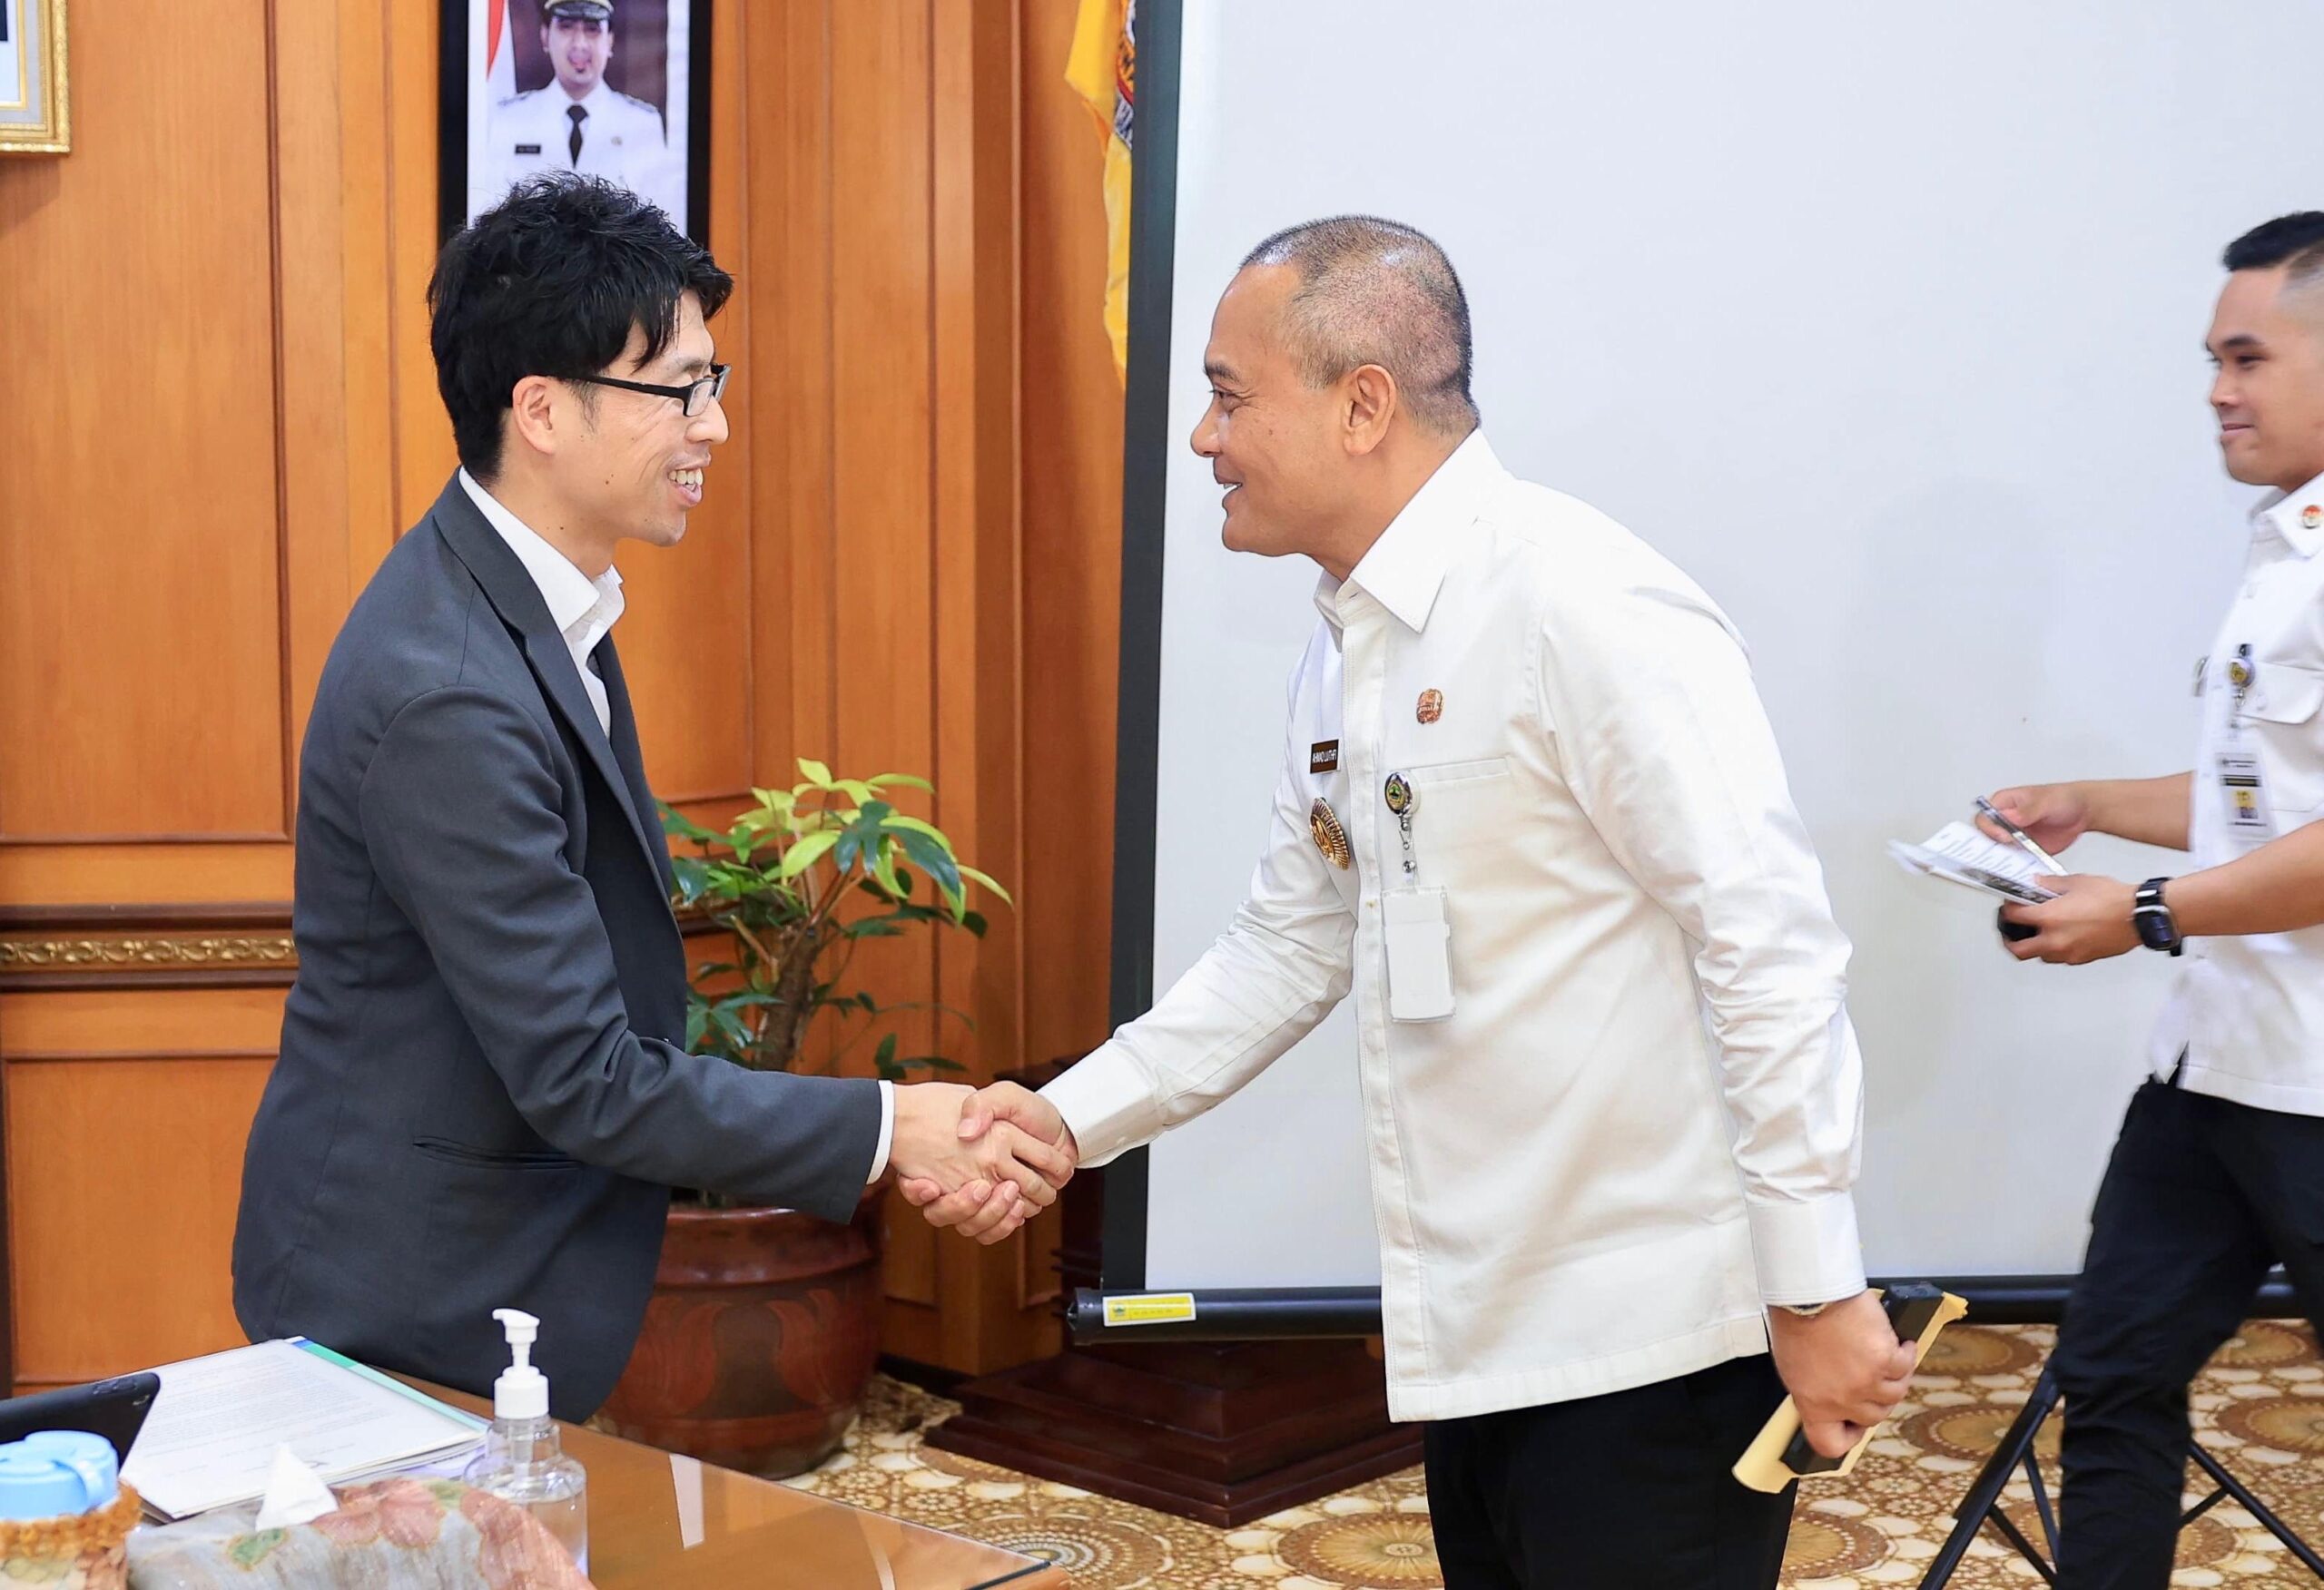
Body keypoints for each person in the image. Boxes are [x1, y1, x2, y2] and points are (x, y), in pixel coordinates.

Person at [907, 216, 1914, 1589]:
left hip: (1656, 1342)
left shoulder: (1583, 601)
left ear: (1363, 402)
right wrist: (1067, 1120)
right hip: (1480, 1337)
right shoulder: (1346, 649)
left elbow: (1770, 943)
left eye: (1228, 394)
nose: (1204, 439)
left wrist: (1814, 1283)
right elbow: (1291, 941)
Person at [231, 174, 1068, 1419]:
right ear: (542, 411)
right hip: (405, 1304)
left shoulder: (531, 597)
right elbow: (582, 1075)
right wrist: (900, 1130)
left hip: (485, 1275)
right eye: (678, 389)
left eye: (710, 383)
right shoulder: (446, 691)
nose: (713, 426)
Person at [1981, 211, 2324, 1590]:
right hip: (2215, 1069)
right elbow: (2268, 803)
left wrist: (2146, 910)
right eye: (2210, 359)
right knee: (2113, 1379)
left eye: (2247, 358)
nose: (2216, 391)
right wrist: (2090, 804)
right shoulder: (2283, 548)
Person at [484, 1, 680, 224]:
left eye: (592, 29)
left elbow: (663, 225)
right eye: (566, 27)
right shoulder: (510, 120)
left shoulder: (643, 124)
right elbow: (489, 215)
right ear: (545, 36)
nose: (580, 44)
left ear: (610, 40)